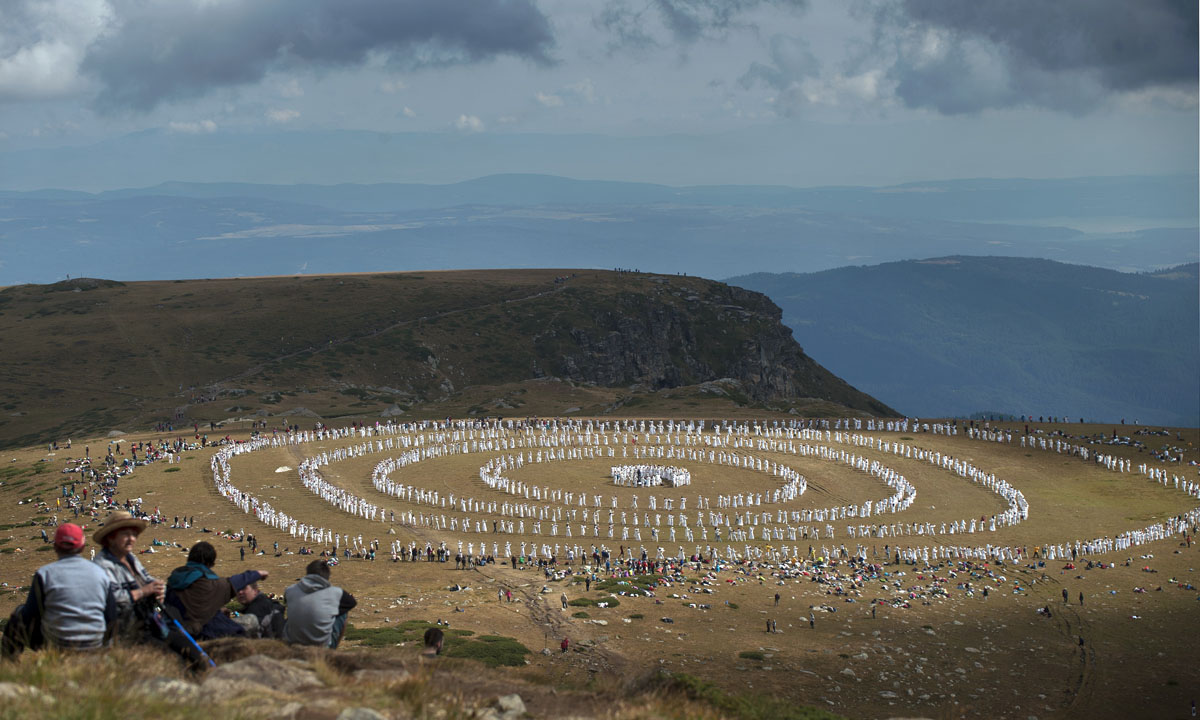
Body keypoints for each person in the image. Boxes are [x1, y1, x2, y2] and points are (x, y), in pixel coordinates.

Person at [2, 523, 115, 656]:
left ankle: (10, 665)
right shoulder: (101, 573)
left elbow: (31, 615)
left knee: (19, 614)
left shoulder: (45, 574)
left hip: (57, 646)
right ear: (82, 547)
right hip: (95, 644)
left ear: (55, 546)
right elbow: (111, 616)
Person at [166, 541, 268, 639]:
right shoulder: (207, 585)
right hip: (198, 632)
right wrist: (258, 573)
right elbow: (232, 583)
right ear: (210, 563)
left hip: (173, 630)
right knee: (242, 630)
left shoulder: (173, 580)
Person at [283, 559, 357, 648]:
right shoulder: (335, 592)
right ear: (327, 576)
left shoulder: (290, 590)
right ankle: (332, 648)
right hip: (321, 645)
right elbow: (352, 603)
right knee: (343, 615)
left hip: (293, 642)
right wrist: (329, 610)